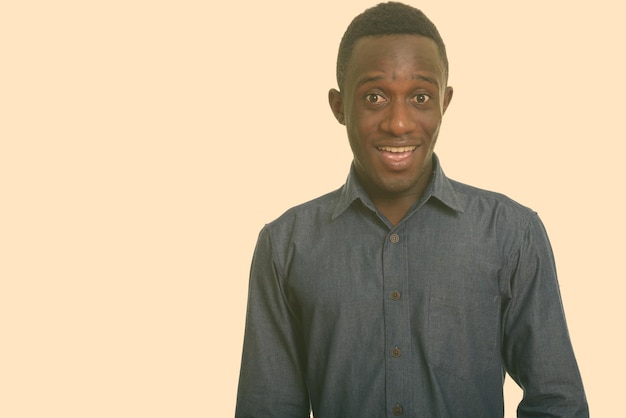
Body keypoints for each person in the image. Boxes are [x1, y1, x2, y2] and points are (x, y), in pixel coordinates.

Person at [235, 2, 589, 417]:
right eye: (374, 97)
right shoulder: (285, 245)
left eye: (420, 96)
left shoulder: (512, 233)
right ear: (339, 106)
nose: (399, 123)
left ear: (445, 102)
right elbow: (267, 408)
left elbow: (557, 403)